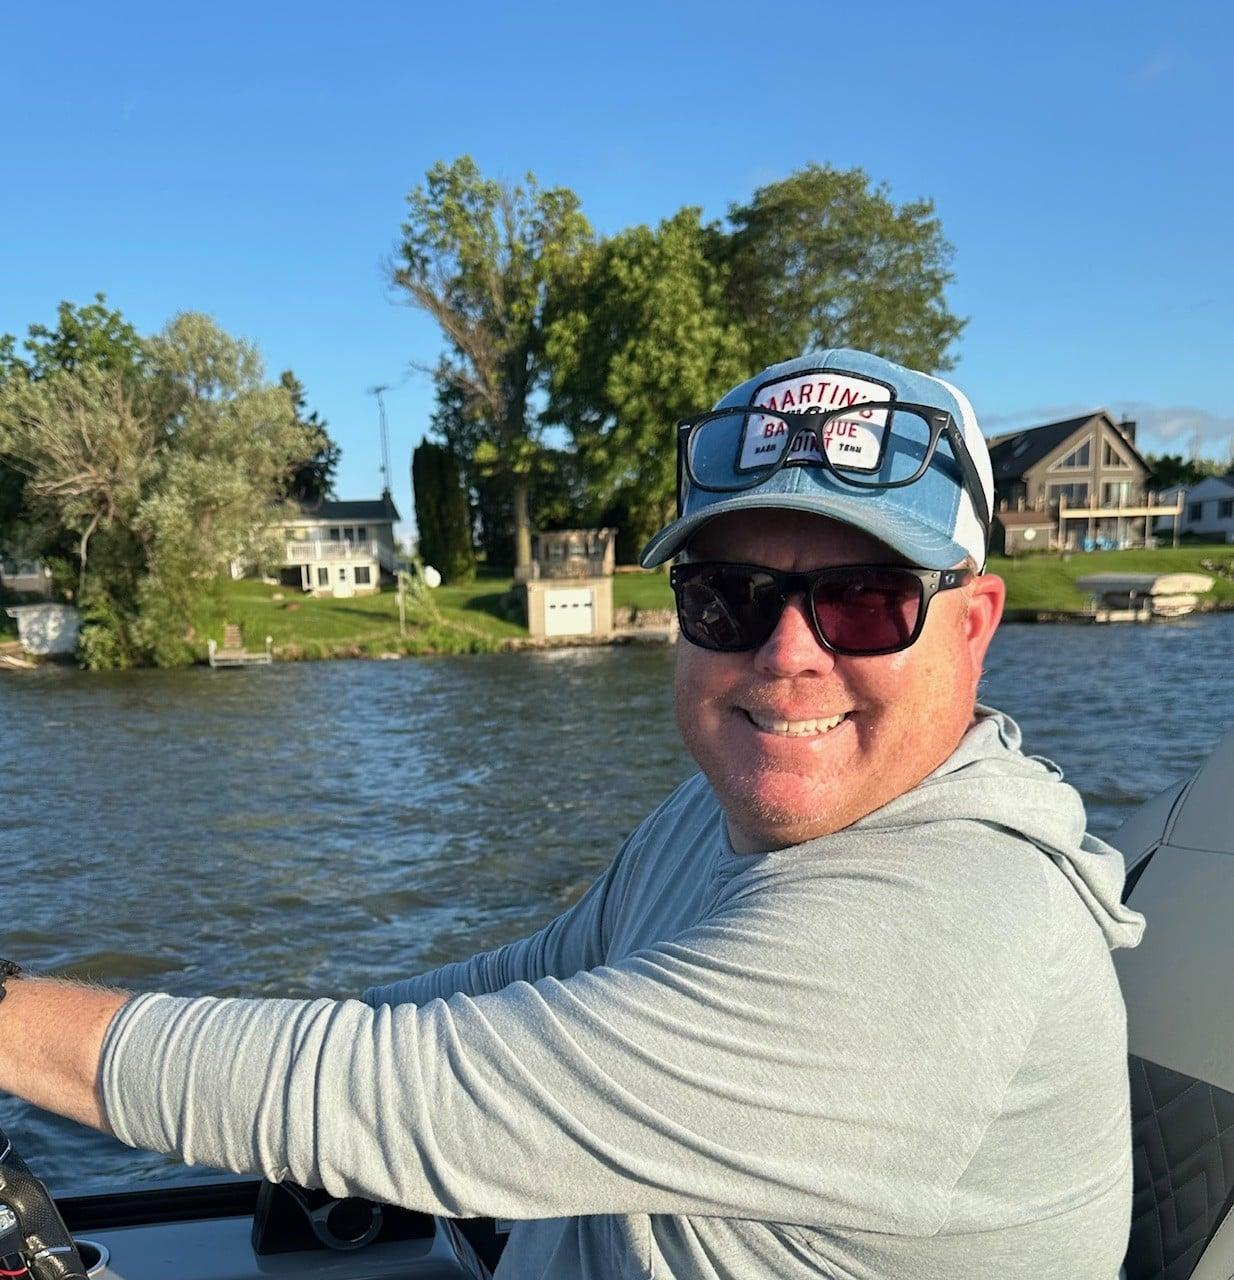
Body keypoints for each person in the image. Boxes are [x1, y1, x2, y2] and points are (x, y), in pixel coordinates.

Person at [0, 349, 1144, 1279]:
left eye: (865, 600)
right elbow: (519, 983)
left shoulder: (944, 932)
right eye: (728, 596)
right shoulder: (726, 814)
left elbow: (403, 1096)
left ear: (974, 621)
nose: (787, 656)